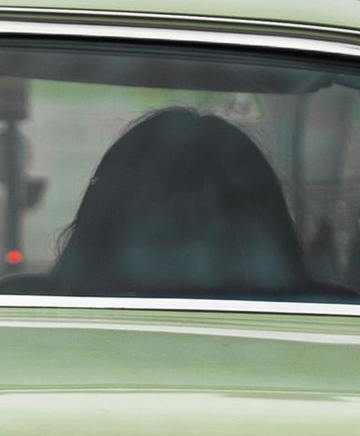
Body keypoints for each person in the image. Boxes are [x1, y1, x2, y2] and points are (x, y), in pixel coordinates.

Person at [33, 107, 309, 300]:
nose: (196, 258)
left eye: (220, 238)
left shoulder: (26, 327)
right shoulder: (332, 326)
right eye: (166, 236)